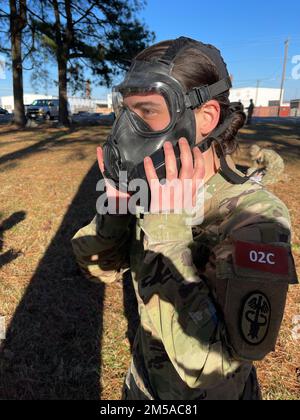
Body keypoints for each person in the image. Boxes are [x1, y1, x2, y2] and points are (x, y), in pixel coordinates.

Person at [71, 37, 298, 400]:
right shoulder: (151, 187)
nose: (127, 131)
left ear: (205, 118)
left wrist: (166, 229)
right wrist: (114, 210)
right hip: (142, 388)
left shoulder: (255, 217)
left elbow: (211, 367)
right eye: (126, 112)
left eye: (147, 111)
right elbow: (98, 269)